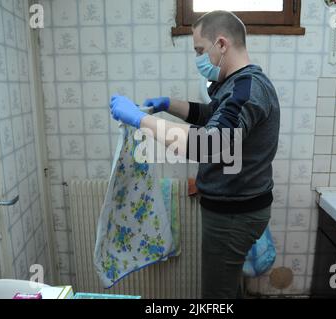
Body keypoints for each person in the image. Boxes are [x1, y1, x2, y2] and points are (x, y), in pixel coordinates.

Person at [109, 10, 280, 299]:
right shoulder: (236, 84)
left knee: (218, 295)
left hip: (234, 214)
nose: (198, 58)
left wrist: (141, 121)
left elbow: (209, 144)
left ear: (222, 44)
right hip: (234, 207)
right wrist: (168, 104)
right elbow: (212, 116)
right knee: (227, 287)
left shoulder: (247, 89)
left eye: (200, 50)